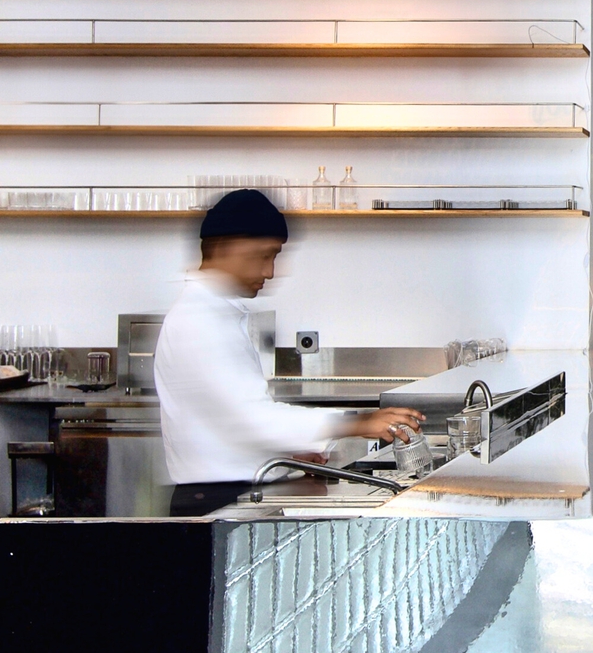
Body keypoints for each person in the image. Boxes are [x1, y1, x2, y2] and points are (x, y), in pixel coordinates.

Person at [154, 188, 422, 515]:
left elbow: (228, 423)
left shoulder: (213, 313)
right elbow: (254, 420)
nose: (270, 272)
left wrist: (287, 455)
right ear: (226, 247)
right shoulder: (199, 321)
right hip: (216, 505)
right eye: (264, 255)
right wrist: (359, 423)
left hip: (229, 497)